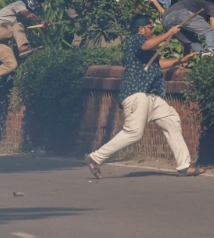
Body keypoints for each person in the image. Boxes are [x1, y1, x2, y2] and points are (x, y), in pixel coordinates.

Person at [85, 15, 204, 178]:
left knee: (171, 119)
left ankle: (184, 166)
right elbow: (147, 45)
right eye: (150, 27)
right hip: (137, 94)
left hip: (151, 96)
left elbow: (157, 64)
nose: (152, 30)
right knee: (134, 132)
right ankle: (95, 157)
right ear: (141, 29)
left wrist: (179, 60)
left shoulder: (147, 48)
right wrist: (169, 33)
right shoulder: (134, 40)